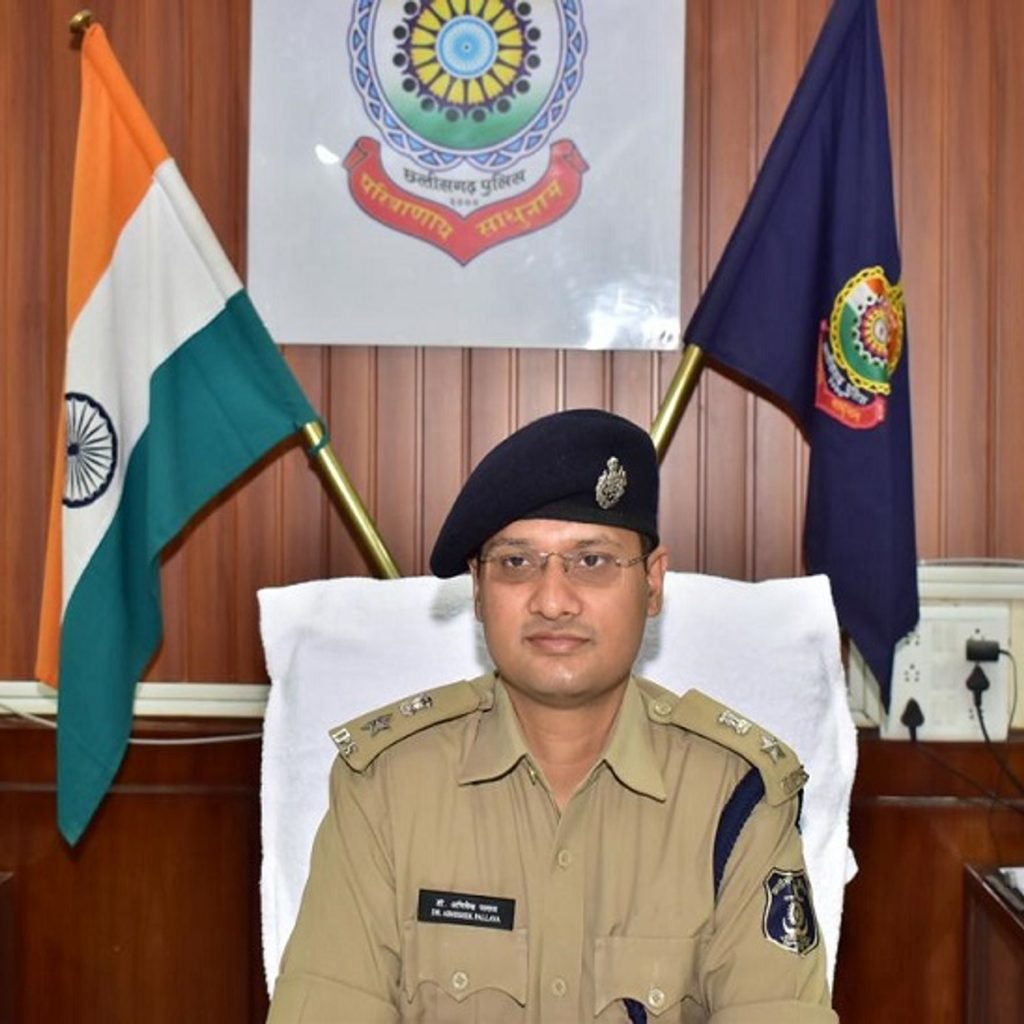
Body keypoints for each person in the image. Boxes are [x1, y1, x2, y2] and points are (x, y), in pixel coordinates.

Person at [267, 409, 837, 1023]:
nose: (554, 600)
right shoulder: (386, 788)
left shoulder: (736, 797)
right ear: (478, 590)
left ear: (652, 584)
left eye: (592, 561)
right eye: (517, 563)